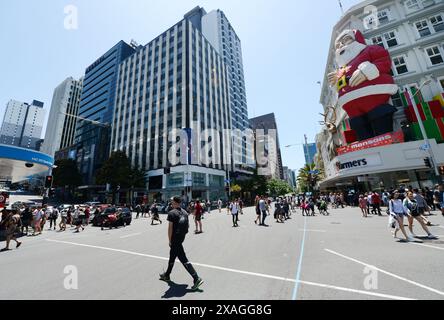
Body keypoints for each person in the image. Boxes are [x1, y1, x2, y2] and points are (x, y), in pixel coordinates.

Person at [159, 196, 203, 291]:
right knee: (172, 256)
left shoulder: (171, 213)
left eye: (172, 202)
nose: (171, 203)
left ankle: (196, 278)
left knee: (183, 259)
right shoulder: (185, 212)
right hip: (181, 238)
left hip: (175, 239)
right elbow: (187, 226)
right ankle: (167, 275)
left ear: (175, 202)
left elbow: (170, 228)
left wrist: (170, 240)